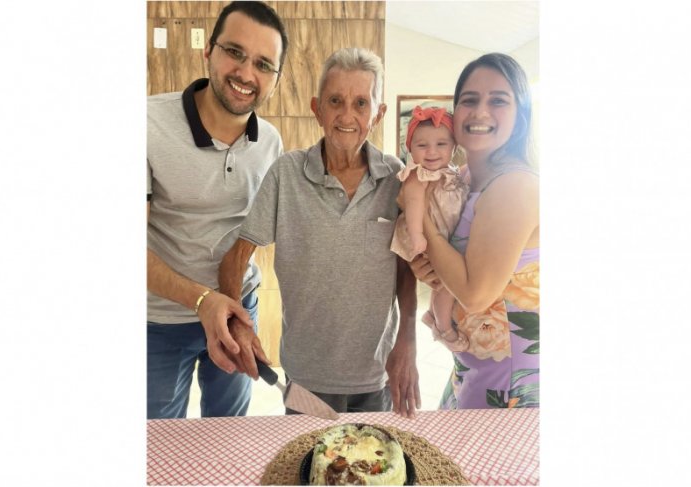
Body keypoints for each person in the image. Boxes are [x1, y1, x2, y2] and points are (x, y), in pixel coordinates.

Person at [217, 47, 421, 418]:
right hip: (305, 376)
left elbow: (405, 268)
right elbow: (236, 258)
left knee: (372, 467)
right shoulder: (287, 173)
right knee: (308, 468)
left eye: (361, 103)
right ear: (317, 109)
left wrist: (407, 340)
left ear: (378, 113)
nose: (347, 115)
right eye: (335, 101)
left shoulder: (396, 179)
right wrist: (238, 324)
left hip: (376, 374)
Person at [146, 1, 289, 419]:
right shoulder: (146, 125)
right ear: (207, 51)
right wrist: (203, 301)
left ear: (276, 80)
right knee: (156, 441)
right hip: (159, 321)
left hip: (238, 307)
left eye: (264, 64)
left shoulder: (271, 144)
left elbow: (258, 233)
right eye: (235, 53)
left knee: (229, 432)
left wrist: (230, 304)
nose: (247, 74)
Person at [409, 53, 539, 409]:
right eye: (469, 100)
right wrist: (430, 269)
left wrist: (419, 220)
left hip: (510, 382)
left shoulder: (516, 184)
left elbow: (476, 293)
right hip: (471, 368)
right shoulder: (464, 178)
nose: (481, 112)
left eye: (498, 100)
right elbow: (454, 261)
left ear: (520, 115)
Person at [390, 106, 467, 345]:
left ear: (454, 147)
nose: (432, 152)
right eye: (422, 145)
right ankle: (442, 327)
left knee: (447, 284)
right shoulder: (418, 175)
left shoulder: (453, 172)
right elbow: (412, 203)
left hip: (446, 236)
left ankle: (435, 315)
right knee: (446, 284)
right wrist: (417, 235)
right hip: (426, 237)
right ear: (410, 149)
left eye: (441, 144)